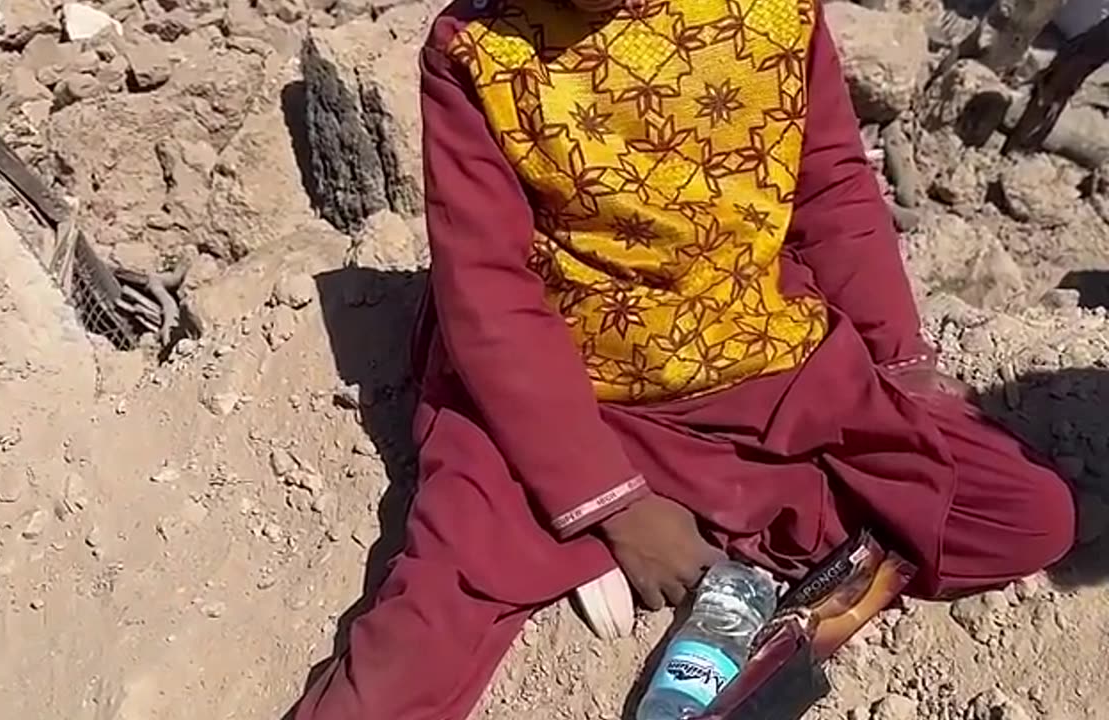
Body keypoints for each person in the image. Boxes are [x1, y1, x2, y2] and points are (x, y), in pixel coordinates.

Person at [290, 0, 1077, 716]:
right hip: (563, 392)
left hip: (755, 354)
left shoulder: (771, 14)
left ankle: (731, 554)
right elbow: (490, 294)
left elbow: (829, 186)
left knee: (1023, 518)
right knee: (413, 648)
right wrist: (613, 507)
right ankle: (617, 533)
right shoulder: (479, 49)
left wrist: (899, 358)